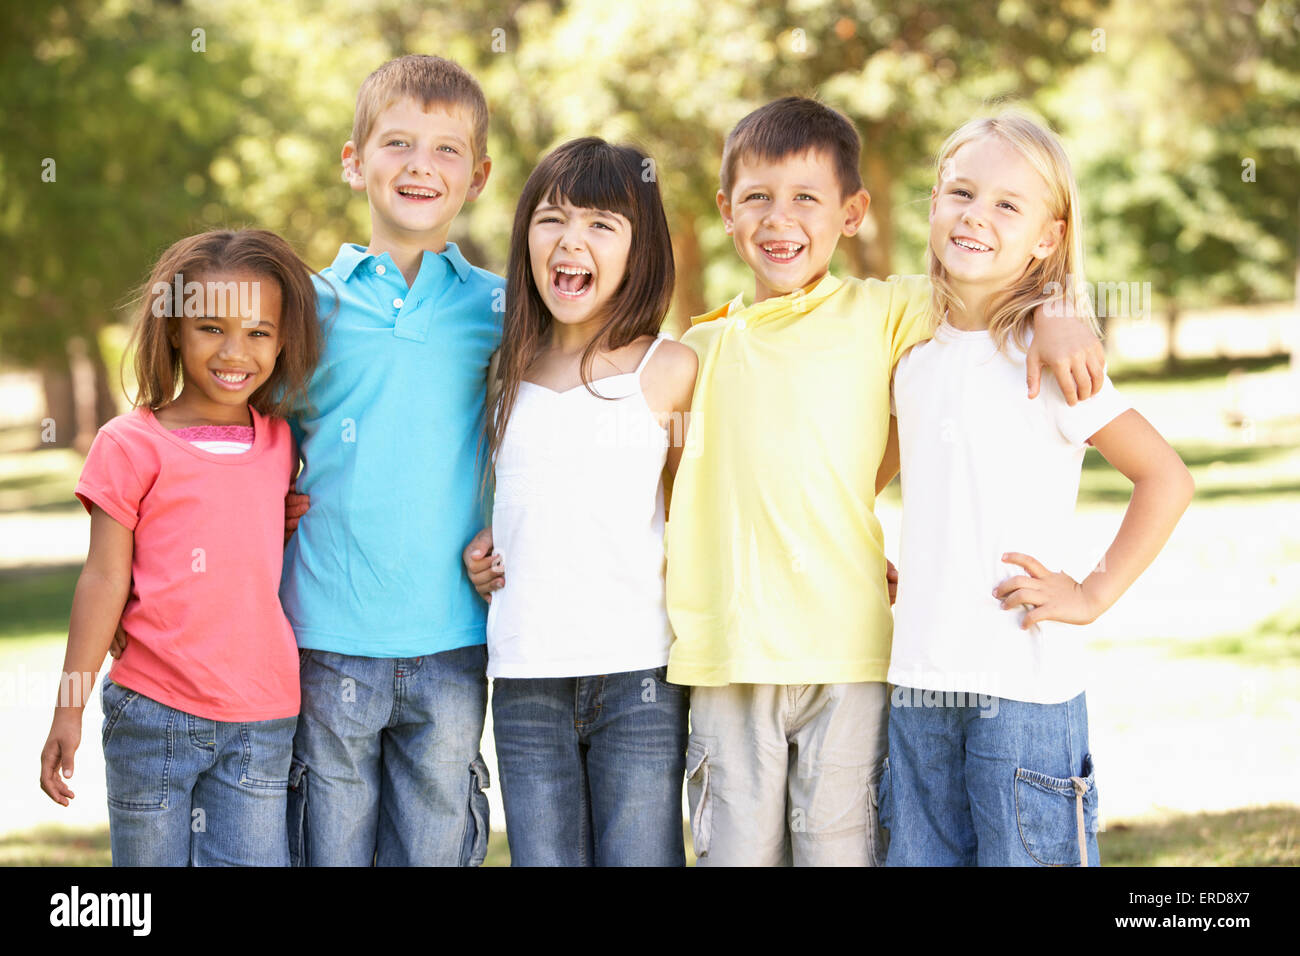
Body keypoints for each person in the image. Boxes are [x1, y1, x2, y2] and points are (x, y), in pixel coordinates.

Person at [663, 96, 1109, 867]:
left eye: (807, 198)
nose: (780, 218)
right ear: (725, 211)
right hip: (730, 658)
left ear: (854, 211)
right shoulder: (694, 352)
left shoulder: (886, 309)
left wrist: (1065, 307)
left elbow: (994, 281)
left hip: (854, 658)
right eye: (758, 198)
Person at [880, 113, 1195, 866]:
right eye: (961, 193)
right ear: (932, 205)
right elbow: (861, 474)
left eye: (1007, 206)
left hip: (1024, 696)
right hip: (915, 690)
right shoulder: (909, 353)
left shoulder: (1050, 359)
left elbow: (1166, 479)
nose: (976, 216)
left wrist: (1089, 594)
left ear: (1048, 239)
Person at [277, 54, 502, 866]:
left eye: (447, 150)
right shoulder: (302, 304)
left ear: (477, 177)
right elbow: (248, 430)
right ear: (354, 161)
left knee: (436, 850)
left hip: (452, 636)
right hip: (325, 631)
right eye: (397, 143)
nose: (420, 165)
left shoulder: (501, 308)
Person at [38, 229, 321, 866]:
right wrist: (69, 709)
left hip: (262, 717)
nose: (235, 351)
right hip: (153, 714)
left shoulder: (282, 444)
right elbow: (104, 581)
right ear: (173, 330)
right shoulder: (128, 444)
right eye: (211, 328)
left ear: (282, 339)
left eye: (258, 331)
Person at [462, 138, 697, 866]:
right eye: (552, 218)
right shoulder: (501, 370)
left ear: (641, 249)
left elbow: (693, 512)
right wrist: (478, 551)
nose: (572, 240)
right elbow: (499, 501)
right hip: (528, 674)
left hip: (639, 674)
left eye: (602, 224)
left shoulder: (671, 369)